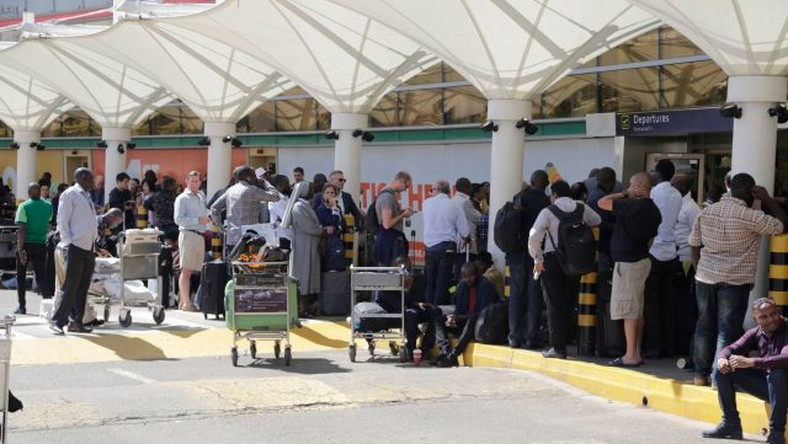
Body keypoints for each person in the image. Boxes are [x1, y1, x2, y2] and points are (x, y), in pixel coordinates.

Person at [690, 173, 788, 386]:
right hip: (734, 281)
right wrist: (768, 199)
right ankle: (719, 378)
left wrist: (701, 271)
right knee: (727, 331)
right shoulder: (750, 217)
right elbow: (782, 225)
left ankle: (699, 376)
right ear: (750, 192)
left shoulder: (706, 212)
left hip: (704, 278)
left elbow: (694, 244)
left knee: (704, 326)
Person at [529, 180, 601, 359]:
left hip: (553, 260)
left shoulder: (548, 211)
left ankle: (558, 347)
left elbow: (534, 236)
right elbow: (597, 220)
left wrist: (537, 257)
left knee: (555, 304)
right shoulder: (581, 208)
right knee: (570, 301)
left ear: (554, 195)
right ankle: (570, 339)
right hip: (575, 261)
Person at [702, 297, 787, 444]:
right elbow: (731, 348)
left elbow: (785, 358)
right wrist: (722, 359)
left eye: (773, 314)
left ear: (778, 312)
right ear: (756, 320)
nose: (771, 319)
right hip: (772, 388)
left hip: (783, 386)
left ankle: (776, 433)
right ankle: (730, 424)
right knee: (721, 370)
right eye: (764, 317)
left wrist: (752, 362)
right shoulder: (757, 333)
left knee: (777, 374)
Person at [597, 173, 661, 367]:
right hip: (641, 260)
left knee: (629, 310)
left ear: (640, 186)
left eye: (631, 185)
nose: (628, 188)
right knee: (637, 309)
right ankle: (636, 352)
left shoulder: (633, 205)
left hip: (628, 264)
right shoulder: (654, 210)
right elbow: (651, 239)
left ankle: (630, 355)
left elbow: (602, 202)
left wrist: (624, 193)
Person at [643, 159, 683, 359]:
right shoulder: (677, 194)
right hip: (671, 253)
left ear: (658, 174)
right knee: (667, 302)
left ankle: (654, 346)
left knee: (651, 303)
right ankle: (668, 346)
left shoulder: (654, 192)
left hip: (654, 251)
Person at [50, 168, 98, 335]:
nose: (94, 181)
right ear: (83, 178)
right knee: (70, 286)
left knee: (83, 287)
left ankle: (76, 322)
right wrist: (69, 242)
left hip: (89, 246)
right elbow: (62, 220)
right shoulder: (70, 194)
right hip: (75, 246)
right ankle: (57, 321)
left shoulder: (87, 195)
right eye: (92, 178)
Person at [507, 170, 550, 349]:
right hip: (537, 254)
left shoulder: (519, 198)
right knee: (534, 294)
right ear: (546, 184)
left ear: (532, 181)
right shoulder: (547, 202)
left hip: (517, 253)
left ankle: (514, 336)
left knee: (516, 294)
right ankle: (531, 336)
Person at [433, 261, 500, 367]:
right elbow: (458, 308)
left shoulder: (486, 286)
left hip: (482, 326)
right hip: (464, 322)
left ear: (477, 274)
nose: (467, 279)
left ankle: (454, 355)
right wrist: (453, 318)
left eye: (470, 276)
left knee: (472, 319)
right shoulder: (462, 286)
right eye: (464, 277)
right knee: (439, 320)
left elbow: (482, 314)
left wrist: (459, 317)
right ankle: (445, 353)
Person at [422, 180, 468, 305]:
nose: (431, 193)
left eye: (432, 190)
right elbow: (464, 230)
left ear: (436, 190)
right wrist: (467, 237)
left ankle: (427, 311)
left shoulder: (426, 203)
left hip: (430, 247)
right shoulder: (454, 205)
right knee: (443, 281)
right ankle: (438, 312)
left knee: (430, 281)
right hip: (447, 247)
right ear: (449, 191)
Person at [672, 174, 702, 357]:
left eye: (675, 184)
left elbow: (697, 236)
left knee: (683, 305)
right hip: (672, 257)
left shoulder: (691, 208)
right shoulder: (675, 203)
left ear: (684, 186)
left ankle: (684, 345)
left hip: (685, 260)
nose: (672, 186)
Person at [210, 166, 279, 243]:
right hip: (249, 238)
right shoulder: (252, 190)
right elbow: (276, 197)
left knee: (233, 255)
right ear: (248, 177)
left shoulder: (231, 190)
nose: (256, 178)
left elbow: (214, 207)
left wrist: (220, 228)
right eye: (254, 175)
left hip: (232, 236)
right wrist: (265, 183)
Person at [174, 171, 210, 312]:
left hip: (200, 234)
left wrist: (206, 220)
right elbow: (178, 219)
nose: (195, 183)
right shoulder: (182, 198)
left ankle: (185, 301)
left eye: (197, 181)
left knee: (196, 270)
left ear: (200, 182)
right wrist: (198, 220)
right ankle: (186, 303)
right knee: (186, 270)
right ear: (186, 181)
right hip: (188, 234)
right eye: (192, 181)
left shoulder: (201, 196)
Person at [14, 183, 53, 314]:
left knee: (21, 275)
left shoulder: (23, 206)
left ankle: (22, 306)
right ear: (39, 192)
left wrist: (20, 249)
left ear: (29, 193)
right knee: (41, 276)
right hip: (41, 245)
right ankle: (48, 304)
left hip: (26, 245)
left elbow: (22, 228)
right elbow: (48, 221)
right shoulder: (48, 206)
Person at [290, 182, 322, 317]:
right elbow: (309, 227)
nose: (313, 192)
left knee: (310, 274)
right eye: (311, 189)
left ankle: (308, 306)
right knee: (303, 275)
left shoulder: (305, 205)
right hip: (302, 245)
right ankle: (301, 308)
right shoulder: (298, 207)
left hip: (310, 244)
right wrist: (322, 230)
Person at [374, 171, 414, 266]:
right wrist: (403, 215)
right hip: (390, 239)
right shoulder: (387, 197)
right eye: (406, 186)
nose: (405, 190)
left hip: (387, 238)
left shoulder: (387, 196)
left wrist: (400, 212)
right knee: (392, 273)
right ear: (401, 181)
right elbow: (387, 224)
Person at [452, 177, 482, 276]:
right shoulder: (465, 202)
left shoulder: (452, 200)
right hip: (466, 243)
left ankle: (456, 291)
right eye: (469, 187)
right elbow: (478, 218)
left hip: (455, 242)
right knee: (466, 271)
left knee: (457, 270)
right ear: (465, 188)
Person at [315, 183, 346, 272]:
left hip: (337, 239)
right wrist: (334, 209)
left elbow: (342, 224)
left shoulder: (337, 208)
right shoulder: (321, 209)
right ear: (323, 195)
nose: (330, 195)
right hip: (327, 241)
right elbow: (333, 223)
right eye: (327, 193)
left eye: (332, 193)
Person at [268, 174, 293, 249]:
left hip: (289, 236)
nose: (289, 185)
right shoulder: (275, 200)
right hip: (281, 237)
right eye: (287, 183)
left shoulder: (285, 197)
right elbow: (286, 217)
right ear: (280, 185)